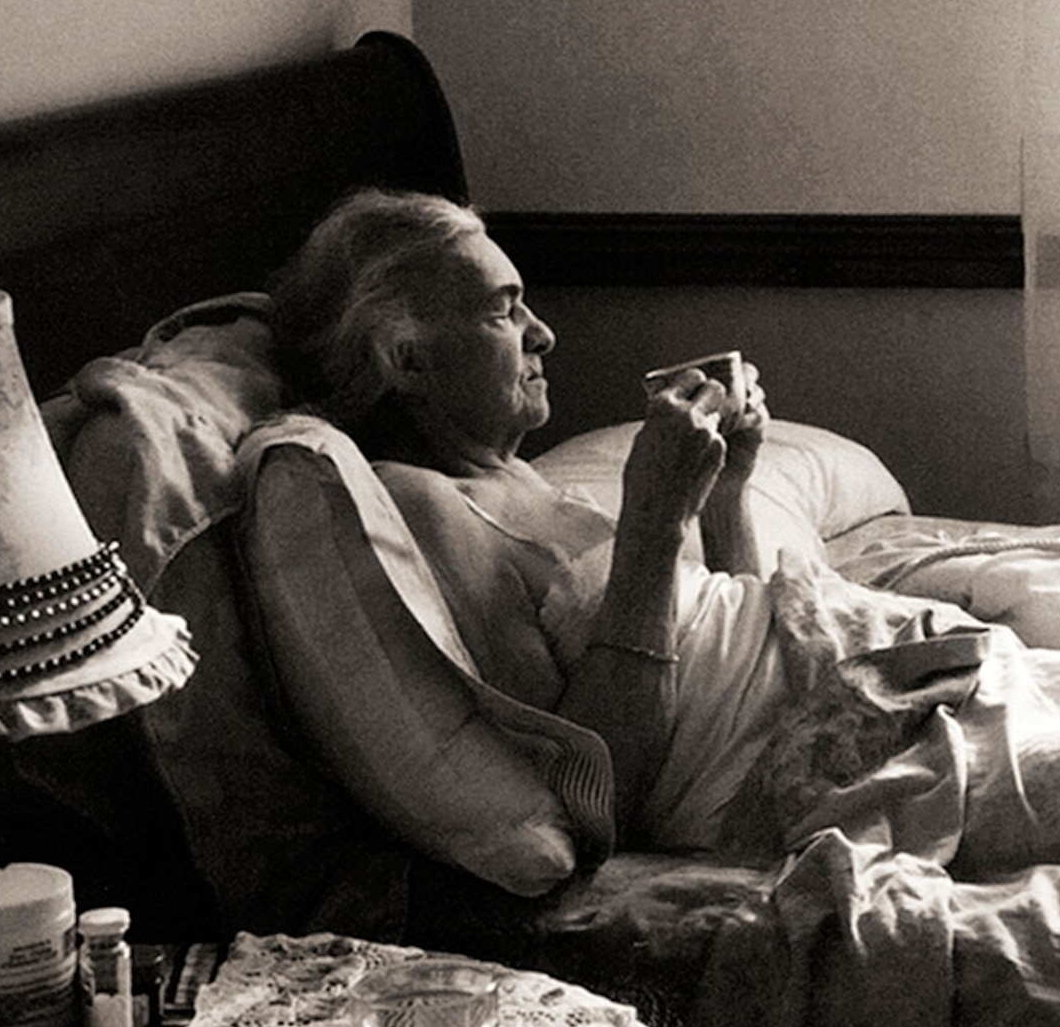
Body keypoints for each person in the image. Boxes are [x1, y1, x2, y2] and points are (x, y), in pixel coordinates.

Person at [267, 186, 866, 848]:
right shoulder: (423, 503)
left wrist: (724, 495)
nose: (543, 334)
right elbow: (600, 788)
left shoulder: (518, 478)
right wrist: (655, 520)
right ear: (407, 357)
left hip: (823, 679)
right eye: (504, 309)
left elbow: (729, 629)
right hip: (793, 753)